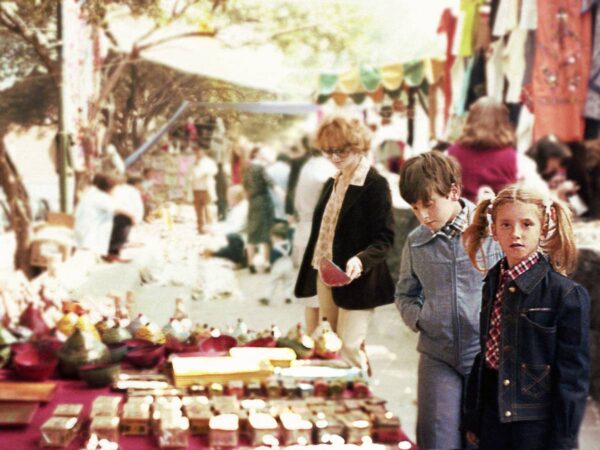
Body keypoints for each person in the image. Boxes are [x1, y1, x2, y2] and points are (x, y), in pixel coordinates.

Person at [462, 184, 590, 450]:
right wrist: (474, 417)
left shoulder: (566, 295)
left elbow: (572, 378)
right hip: (493, 413)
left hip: (536, 423)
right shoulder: (493, 281)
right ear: (494, 230)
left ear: (543, 229)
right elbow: (486, 356)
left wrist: (563, 440)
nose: (516, 234)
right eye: (506, 225)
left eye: (527, 224)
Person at [395, 151, 502, 450]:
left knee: (481, 439)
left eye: (429, 204)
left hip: (487, 357)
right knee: (436, 439)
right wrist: (421, 318)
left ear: (453, 191)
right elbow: (405, 292)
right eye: (415, 208)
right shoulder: (416, 241)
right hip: (437, 356)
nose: (423, 215)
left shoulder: (492, 232)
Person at [294, 115, 395, 373]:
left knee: (349, 345)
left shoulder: (375, 184)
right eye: (328, 151)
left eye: (341, 150)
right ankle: (350, 393)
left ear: (358, 145)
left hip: (359, 279)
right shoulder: (334, 181)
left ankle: (362, 397)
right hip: (325, 272)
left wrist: (360, 260)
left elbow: (385, 238)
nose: (335, 156)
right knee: (332, 343)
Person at [292, 145, 336, 335]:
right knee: (322, 297)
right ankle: (318, 343)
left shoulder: (310, 166)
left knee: (312, 297)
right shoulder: (325, 170)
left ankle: (312, 340)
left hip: (306, 230)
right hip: (317, 234)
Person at [447, 96, 517, 202]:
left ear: (470, 119)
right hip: (498, 215)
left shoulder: (452, 153)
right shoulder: (514, 158)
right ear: (503, 122)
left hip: (462, 214)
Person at [526, 135, 600, 218]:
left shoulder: (536, 173)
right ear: (549, 157)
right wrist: (558, 191)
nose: (558, 167)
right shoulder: (528, 170)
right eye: (559, 161)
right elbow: (539, 200)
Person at [243, 147, 276, 273]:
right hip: (264, 201)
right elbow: (271, 183)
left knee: (252, 232)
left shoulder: (247, 169)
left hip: (252, 202)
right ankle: (266, 263)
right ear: (257, 154)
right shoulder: (261, 168)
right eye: (262, 153)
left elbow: (245, 187)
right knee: (266, 232)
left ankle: (250, 263)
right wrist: (282, 194)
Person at [74, 173, 117, 258]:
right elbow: (116, 208)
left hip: (83, 228)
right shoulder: (102, 197)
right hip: (89, 232)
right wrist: (131, 216)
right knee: (87, 251)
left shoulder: (92, 192)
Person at [106, 176, 145, 262]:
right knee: (123, 223)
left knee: (125, 225)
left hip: (124, 216)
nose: (143, 186)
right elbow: (117, 205)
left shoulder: (131, 191)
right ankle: (112, 253)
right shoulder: (123, 190)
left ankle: (118, 248)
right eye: (141, 184)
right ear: (136, 184)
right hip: (119, 216)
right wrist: (131, 215)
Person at [189, 147, 218, 233]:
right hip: (196, 188)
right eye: (197, 152)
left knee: (208, 208)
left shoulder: (209, 162)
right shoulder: (193, 162)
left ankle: (209, 227)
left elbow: (214, 171)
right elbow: (190, 174)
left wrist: (205, 172)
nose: (199, 154)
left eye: (200, 152)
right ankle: (200, 227)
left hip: (206, 188)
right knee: (198, 209)